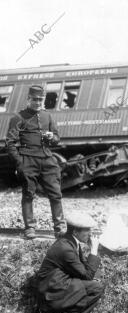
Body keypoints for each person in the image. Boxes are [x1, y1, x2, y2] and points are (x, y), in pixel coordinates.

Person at [5, 84, 65, 239]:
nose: (38, 102)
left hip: (47, 159)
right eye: (35, 99)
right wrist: (20, 162)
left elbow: (57, 139)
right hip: (28, 160)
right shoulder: (18, 118)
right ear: (28, 99)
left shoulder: (48, 116)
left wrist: (53, 138)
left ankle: (60, 228)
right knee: (28, 195)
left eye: (40, 99)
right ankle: (30, 228)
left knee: (56, 194)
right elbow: (10, 143)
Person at [36, 211, 104, 313]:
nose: (90, 233)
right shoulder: (66, 248)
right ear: (75, 232)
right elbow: (87, 275)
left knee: (93, 284)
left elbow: (83, 269)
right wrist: (94, 250)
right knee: (97, 288)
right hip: (51, 291)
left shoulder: (69, 242)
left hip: (55, 284)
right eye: (87, 230)